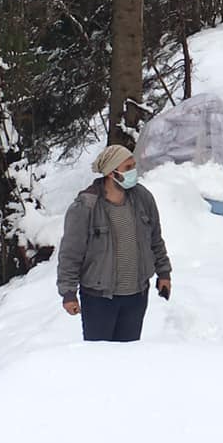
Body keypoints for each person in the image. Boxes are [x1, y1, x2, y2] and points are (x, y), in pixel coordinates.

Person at [57, 144, 172, 341]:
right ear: (111, 172)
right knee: (100, 359)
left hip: (136, 297)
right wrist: (68, 293)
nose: (133, 172)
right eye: (128, 168)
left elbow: (155, 239)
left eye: (133, 166)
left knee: (127, 357)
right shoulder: (86, 207)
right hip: (99, 299)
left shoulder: (143, 199)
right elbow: (71, 253)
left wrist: (164, 273)